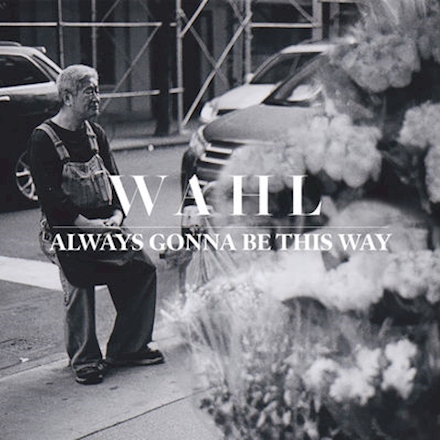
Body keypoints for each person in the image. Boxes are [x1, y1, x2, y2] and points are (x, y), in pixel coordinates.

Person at [29, 64, 164, 385]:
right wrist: (86, 225)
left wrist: (116, 216)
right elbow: (51, 199)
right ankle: (85, 359)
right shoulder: (43, 139)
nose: (97, 97)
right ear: (67, 97)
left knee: (142, 268)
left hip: (104, 224)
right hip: (66, 229)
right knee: (79, 281)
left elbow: (114, 182)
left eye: (97, 90)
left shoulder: (96, 134)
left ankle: (128, 348)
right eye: (89, 91)